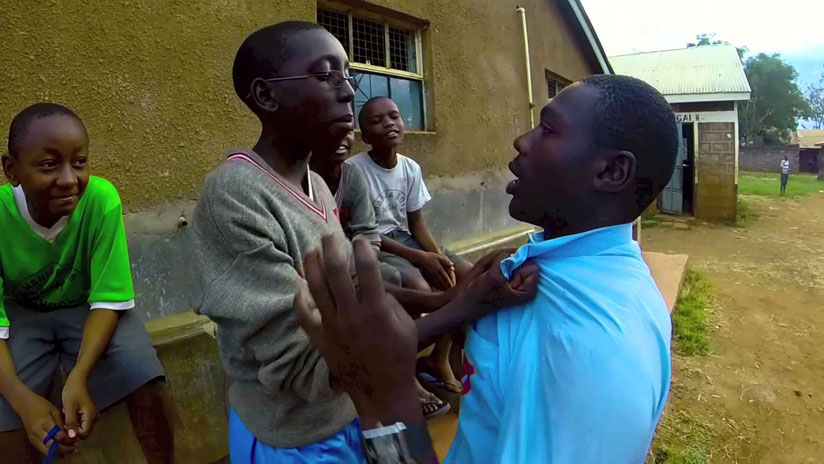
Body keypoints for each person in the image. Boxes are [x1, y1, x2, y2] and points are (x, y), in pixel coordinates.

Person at [296, 74, 677, 463]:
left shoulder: (590, 348)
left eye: (547, 129)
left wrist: (383, 399)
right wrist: (460, 304)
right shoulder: (548, 269)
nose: (522, 141)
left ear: (611, 172)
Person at [0, 103, 174, 464]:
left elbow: (109, 300)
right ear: (11, 170)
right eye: (48, 165)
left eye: (79, 162)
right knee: (6, 414)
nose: (68, 178)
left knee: (143, 373)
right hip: (21, 316)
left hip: (87, 310)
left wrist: (78, 377)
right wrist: (23, 401)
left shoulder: (100, 200)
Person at [309, 131, 450, 419]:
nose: (342, 137)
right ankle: (401, 377)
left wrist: (367, 265)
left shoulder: (352, 177)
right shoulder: (307, 177)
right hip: (326, 266)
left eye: (347, 130)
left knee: (453, 277)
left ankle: (436, 360)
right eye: (332, 127)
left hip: (360, 257)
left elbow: (366, 231)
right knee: (397, 283)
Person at [348, 96, 472, 394]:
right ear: (364, 136)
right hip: (378, 245)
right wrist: (419, 257)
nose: (389, 123)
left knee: (464, 276)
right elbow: (365, 232)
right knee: (421, 289)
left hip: (406, 238)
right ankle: (405, 368)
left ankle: (438, 358)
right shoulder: (354, 171)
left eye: (394, 116)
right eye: (377, 121)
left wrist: (439, 257)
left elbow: (416, 225)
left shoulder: (410, 168)